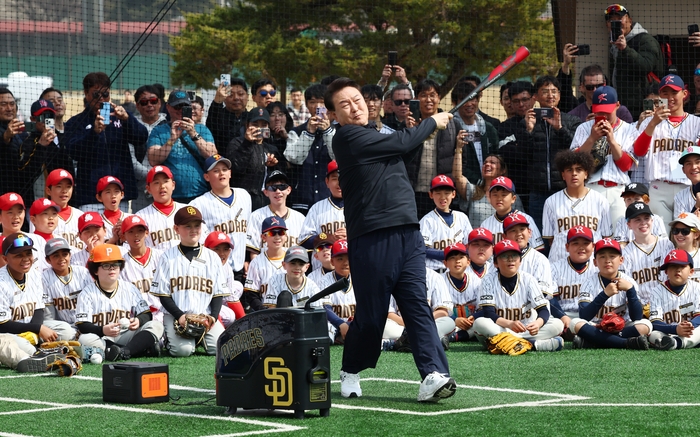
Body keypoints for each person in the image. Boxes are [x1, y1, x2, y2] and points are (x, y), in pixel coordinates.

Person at [326, 77, 456, 403]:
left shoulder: (374, 137)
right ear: (335, 115)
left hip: (408, 232)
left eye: (357, 99)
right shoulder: (346, 138)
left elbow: (401, 155)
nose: (355, 107)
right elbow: (400, 143)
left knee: (417, 308)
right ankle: (351, 368)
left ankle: (432, 375)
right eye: (346, 105)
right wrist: (431, 123)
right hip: (372, 237)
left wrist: (422, 133)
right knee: (372, 316)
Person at [64, 72, 149, 210]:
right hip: (91, 196)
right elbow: (73, 152)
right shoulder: (76, 122)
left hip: (119, 194)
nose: (101, 99)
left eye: (106, 94)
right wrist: (94, 133)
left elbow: (141, 137)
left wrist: (128, 119)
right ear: (86, 94)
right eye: (96, 94)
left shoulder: (120, 116)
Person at [150, 207, 227, 357]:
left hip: (205, 315)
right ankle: (167, 339)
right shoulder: (167, 257)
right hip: (175, 315)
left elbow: (218, 293)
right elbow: (163, 294)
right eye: (188, 226)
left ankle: (199, 338)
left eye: (197, 225)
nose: (193, 230)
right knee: (183, 351)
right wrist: (180, 316)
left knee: (219, 348)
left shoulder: (212, 257)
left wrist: (213, 317)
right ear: (176, 229)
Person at [512, 76, 582, 231]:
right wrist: (528, 131)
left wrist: (560, 128)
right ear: (535, 97)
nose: (550, 95)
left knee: (566, 232)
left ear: (559, 95)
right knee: (540, 236)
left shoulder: (572, 120)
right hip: (538, 193)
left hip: (565, 190)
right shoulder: (526, 122)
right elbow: (523, 156)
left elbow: (577, 152)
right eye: (545, 91)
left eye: (554, 91)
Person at [472, 240, 565, 351]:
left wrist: (538, 323)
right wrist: (509, 324)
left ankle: (511, 344)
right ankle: (534, 345)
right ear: (496, 263)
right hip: (502, 328)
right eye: (505, 256)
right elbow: (488, 313)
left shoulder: (529, 279)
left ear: (520, 261)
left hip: (526, 330)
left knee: (557, 323)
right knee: (480, 323)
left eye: (514, 255)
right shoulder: (488, 280)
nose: (510, 259)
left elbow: (543, 309)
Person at [633, 74, 700, 228]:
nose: (670, 97)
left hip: (687, 188)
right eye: (665, 93)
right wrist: (653, 123)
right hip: (658, 188)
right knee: (661, 236)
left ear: (684, 94)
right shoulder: (649, 123)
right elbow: (639, 151)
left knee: (686, 234)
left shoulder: (697, 123)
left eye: (674, 92)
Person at [76, 244, 163, 361]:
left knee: (156, 325)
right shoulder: (87, 293)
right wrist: (102, 330)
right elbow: (82, 325)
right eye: (106, 265)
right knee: (84, 339)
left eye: (115, 264)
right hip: (102, 338)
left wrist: (139, 320)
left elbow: (146, 314)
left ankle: (124, 351)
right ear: (95, 270)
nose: (112, 268)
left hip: (126, 335)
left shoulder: (130, 288)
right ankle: (139, 349)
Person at [569, 86, 637, 225]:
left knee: (619, 237)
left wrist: (612, 140)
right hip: (590, 188)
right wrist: (591, 139)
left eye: (607, 111)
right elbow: (574, 163)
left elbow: (626, 165)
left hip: (618, 191)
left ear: (617, 105)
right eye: (599, 112)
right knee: (592, 236)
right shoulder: (584, 128)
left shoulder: (629, 129)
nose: (603, 116)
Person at [569, 238, 651, 350]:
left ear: (621, 260)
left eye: (612, 256)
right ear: (595, 262)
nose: (607, 260)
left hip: (622, 327)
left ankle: (594, 342)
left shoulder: (629, 282)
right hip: (596, 327)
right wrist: (604, 294)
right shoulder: (589, 283)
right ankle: (626, 343)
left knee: (645, 325)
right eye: (602, 256)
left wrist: (630, 291)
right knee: (575, 323)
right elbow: (584, 315)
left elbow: (636, 317)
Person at [0, 232, 76, 343]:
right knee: (23, 346)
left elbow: (38, 308)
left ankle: (34, 343)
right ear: (5, 259)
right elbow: (2, 324)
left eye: (28, 253)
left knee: (65, 331)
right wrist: (36, 329)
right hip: (8, 333)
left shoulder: (34, 274)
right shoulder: (2, 282)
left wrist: (34, 331)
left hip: (30, 326)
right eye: (19, 255)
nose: (26, 259)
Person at [190, 154, 252, 284]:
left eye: (224, 169)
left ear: (230, 173)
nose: (221, 173)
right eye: (216, 171)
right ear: (207, 177)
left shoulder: (244, 196)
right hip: (214, 270)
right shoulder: (198, 204)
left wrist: (248, 258)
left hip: (240, 270)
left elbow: (247, 233)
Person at [147, 90, 216, 203]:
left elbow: (212, 155)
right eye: (177, 106)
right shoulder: (159, 131)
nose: (181, 110)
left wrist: (193, 133)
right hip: (170, 196)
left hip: (200, 194)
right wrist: (172, 139)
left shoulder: (201, 129)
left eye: (185, 106)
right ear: (168, 107)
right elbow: (153, 160)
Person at [404, 79, 461, 218]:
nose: (428, 99)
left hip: (442, 193)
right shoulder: (408, 124)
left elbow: (462, 158)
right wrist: (409, 131)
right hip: (414, 193)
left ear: (439, 98)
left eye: (432, 95)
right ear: (416, 99)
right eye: (423, 95)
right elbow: (401, 156)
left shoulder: (452, 124)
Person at [543, 150, 612, 263]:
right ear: (563, 175)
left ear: (586, 174)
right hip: (560, 263)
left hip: (592, 265)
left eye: (578, 170)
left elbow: (606, 237)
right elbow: (550, 239)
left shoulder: (601, 201)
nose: (574, 173)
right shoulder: (551, 202)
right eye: (569, 170)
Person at [604, 4, 664, 118]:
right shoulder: (613, 45)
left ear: (629, 21)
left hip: (646, 104)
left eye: (619, 18)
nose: (615, 22)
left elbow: (645, 66)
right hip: (624, 106)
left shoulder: (646, 39)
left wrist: (625, 49)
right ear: (607, 25)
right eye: (611, 20)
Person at [284, 84, 336, 214]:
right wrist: (309, 133)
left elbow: (339, 157)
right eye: (313, 102)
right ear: (307, 105)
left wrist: (327, 131)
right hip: (301, 200)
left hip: (330, 198)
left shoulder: (339, 131)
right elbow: (293, 158)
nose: (318, 107)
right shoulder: (296, 131)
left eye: (322, 103)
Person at [382, 268, 455, 352]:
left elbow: (443, 311)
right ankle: (432, 341)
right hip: (401, 325)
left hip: (428, 324)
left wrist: (423, 321)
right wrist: (409, 323)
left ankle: (398, 343)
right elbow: (389, 313)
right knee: (384, 325)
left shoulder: (434, 276)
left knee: (449, 322)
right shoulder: (392, 276)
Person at [556, 46, 634, 122]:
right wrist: (585, 127)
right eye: (590, 87)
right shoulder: (574, 115)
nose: (595, 90)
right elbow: (565, 94)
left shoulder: (621, 111)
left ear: (605, 83)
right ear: (582, 87)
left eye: (599, 86)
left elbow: (630, 133)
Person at [224, 108, 281, 210]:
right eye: (255, 124)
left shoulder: (271, 148)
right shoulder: (237, 143)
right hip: (242, 199)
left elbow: (279, 176)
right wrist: (247, 143)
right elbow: (236, 168)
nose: (259, 128)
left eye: (264, 125)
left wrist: (273, 166)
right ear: (247, 125)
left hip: (266, 200)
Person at [443, 232, 494, 343]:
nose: (457, 261)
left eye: (461, 257)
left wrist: (474, 317)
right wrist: (454, 320)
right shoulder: (440, 281)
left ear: (468, 261)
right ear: (445, 263)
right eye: (452, 258)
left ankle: (454, 337)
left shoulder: (478, 281)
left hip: (471, 324)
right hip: (449, 321)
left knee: (482, 322)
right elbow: (436, 310)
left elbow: (484, 308)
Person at [621, 202, 674, 306]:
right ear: (629, 225)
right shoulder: (625, 253)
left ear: (652, 220)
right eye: (637, 219)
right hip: (640, 307)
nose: (643, 223)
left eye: (646, 218)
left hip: (668, 303)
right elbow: (626, 287)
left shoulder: (666, 244)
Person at [297, 160, 345, 271]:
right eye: (334, 178)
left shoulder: (359, 207)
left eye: (343, 178)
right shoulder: (316, 209)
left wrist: (351, 236)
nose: (339, 183)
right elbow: (303, 241)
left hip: (352, 272)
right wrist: (328, 238)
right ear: (327, 182)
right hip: (320, 273)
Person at [648, 249, 700, 350]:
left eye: (682, 266)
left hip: (691, 332)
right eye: (673, 266)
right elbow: (655, 322)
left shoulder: (697, 288)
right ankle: (674, 342)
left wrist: (689, 326)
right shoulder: (657, 291)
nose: (678, 270)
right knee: (653, 334)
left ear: (691, 272)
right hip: (667, 332)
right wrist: (675, 329)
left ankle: (676, 343)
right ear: (666, 271)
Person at [549, 226, 597, 335]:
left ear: (593, 246)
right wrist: (562, 316)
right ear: (567, 247)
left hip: (592, 316)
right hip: (564, 315)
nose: (581, 247)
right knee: (553, 325)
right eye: (575, 243)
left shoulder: (599, 268)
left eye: (586, 243)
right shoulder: (554, 268)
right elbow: (550, 298)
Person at [450, 81, 499, 188]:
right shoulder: (450, 128)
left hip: (487, 187)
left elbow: (496, 154)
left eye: (472, 99)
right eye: (464, 99)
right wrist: (476, 181)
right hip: (462, 187)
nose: (469, 104)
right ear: (455, 103)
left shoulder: (488, 128)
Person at [419, 175, 472, 272]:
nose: (442, 197)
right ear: (431, 194)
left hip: (459, 273)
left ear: (453, 194)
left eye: (447, 193)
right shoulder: (426, 221)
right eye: (438, 193)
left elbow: (470, 245)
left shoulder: (462, 217)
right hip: (435, 272)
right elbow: (423, 249)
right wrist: (450, 254)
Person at [246, 170, 305, 257]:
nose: (278, 191)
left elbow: (305, 253)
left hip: (292, 269)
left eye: (282, 186)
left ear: (288, 190)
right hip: (265, 268)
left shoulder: (300, 218)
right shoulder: (256, 216)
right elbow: (254, 251)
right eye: (272, 187)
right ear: (266, 192)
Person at [135, 166, 193, 251]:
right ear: (148, 189)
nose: (162, 186)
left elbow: (201, 241)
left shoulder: (188, 211)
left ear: (173, 185)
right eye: (156, 183)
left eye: (166, 181)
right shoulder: (141, 217)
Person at [119, 215, 164, 321]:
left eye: (140, 230)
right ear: (123, 237)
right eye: (131, 232)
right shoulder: (121, 264)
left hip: (164, 314)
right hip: (138, 318)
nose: (136, 235)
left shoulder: (161, 257)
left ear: (147, 233)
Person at [42, 238, 93, 330]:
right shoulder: (44, 278)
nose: (61, 259)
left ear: (70, 255)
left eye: (65, 254)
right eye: (56, 256)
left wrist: (87, 326)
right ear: (48, 260)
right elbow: (48, 314)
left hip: (86, 322)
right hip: (63, 327)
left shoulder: (83, 272)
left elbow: (93, 302)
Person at [479, 176, 541, 248]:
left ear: (513, 199)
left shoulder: (526, 219)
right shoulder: (485, 224)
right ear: (489, 197)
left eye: (504, 195)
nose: (499, 198)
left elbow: (538, 248)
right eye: (495, 195)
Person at [497, 81, 535, 198]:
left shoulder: (546, 122)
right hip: (515, 191)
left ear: (533, 99)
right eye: (516, 101)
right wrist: (528, 131)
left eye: (525, 100)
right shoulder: (504, 127)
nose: (521, 104)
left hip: (540, 189)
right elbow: (508, 154)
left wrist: (519, 144)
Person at [242, 216, 288, 312]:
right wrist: (262, 310)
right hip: (265, 311)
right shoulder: (256, 262)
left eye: (281, 232)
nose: (277, 237)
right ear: (263, 237)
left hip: (290, 309)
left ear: (285, 236)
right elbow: (251, 294)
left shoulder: (292, 258)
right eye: (272, 233)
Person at [316, 239, 356, 344]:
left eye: (349, 258)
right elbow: (325, 307)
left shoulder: (361, 279)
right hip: (333, 324)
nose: (346, 263)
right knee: (324, 331)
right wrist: (341, 324)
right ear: (332, 261)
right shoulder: (325, 280)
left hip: (354, 323)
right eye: (340, 259)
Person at [203, 231, 244, 327]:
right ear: (206, 249)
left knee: (238, 286)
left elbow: (232, 298)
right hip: (199, 305)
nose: (222, 253)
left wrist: (246, 324)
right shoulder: (201, 267)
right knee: (229, 316)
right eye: (216, 249)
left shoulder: (227, 267)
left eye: (226, 249)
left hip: (215, 299)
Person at [206, 77, 249, 148]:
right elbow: (211, 124)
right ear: (224, 98)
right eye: (230, 95)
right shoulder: (217, 116)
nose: (236, 98)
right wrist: (217, 100)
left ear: (247, 97)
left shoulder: (252, 118)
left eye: (240, 94)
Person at [668, 213, 700, 282]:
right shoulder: (669, 255)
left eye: (685, 231)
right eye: (675, 230)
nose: (679, 234)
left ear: (696, 234)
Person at [95, 176, 129, 242]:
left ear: (122, 195)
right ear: (99, 197)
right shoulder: (96, 223)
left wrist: (128, 230)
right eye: (108, 192)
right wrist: (114, 239)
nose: (113, 195)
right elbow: (96, 250)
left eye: (116, 191)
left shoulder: (131, 218)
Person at [673, 147, 700, 218]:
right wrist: (696, 206)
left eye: (698, 162)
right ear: (683, 170)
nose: (694, 167)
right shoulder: (680, 197)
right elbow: (680, 227)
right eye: (688, 163)